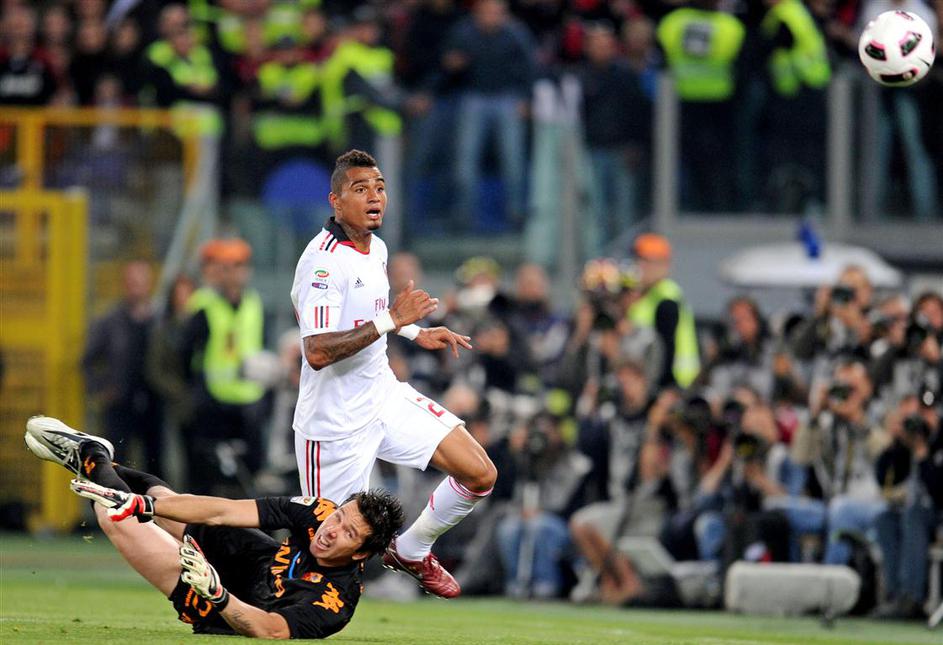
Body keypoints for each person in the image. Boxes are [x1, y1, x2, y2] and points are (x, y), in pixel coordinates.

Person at [289, 149, 497, 598]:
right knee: (328, 567)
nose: (374, 197)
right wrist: (392, 320)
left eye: (379, 188)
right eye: (360, 189)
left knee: (479, 473)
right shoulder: (322, 263)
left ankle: (412, 549)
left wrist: (415, 332)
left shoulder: (376, 248)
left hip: (382, 395)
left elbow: (372, 315)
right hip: (334, 421)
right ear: (335, 201)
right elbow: (317, 351)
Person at [23, 415, 404, 640]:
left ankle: (92, 457)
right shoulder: (319, 512)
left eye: (348, 533)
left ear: (360, 553)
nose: (331, 529)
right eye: (340, 517)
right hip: (253, 557)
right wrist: (148, 505)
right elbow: (224, 511)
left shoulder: (336, 601)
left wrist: (218, 594)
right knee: (164, 501)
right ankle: (96, 457)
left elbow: (270, 629)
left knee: (114, 517)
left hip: (232, 603)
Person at [81, 260, 164, 477]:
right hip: (120, 403)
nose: (136, 288)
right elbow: (88, 360)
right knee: (116, 461)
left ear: (149, 285)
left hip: (154, 404)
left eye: (141, 283)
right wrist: (102, 389)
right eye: (132, 283)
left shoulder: (160, 321)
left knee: (156, 462)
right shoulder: (110, 321)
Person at [626, 234, 700, 389]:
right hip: (651, 381)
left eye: (646, 261)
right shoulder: (646, 296)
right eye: (638, 260)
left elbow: (664, 347)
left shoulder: (666, 296)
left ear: (664, 265)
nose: (639, 267)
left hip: (673, 383)